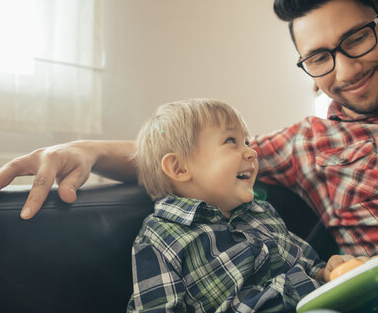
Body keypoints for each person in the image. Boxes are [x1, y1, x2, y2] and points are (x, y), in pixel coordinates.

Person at [0, 0, 378, 310]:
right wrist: (89, 149)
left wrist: (325, 269)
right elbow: (195, 160)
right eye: (320, 57)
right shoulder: (306, 142)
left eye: (356, 40)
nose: (343, 72)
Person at [126, 97, 354, 312]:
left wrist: (328, 271)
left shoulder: (263, 212)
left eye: (246, 141)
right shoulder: (159, 238)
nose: (252, 152)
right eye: (230, 141)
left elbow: (310, 266)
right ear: (179, 169)